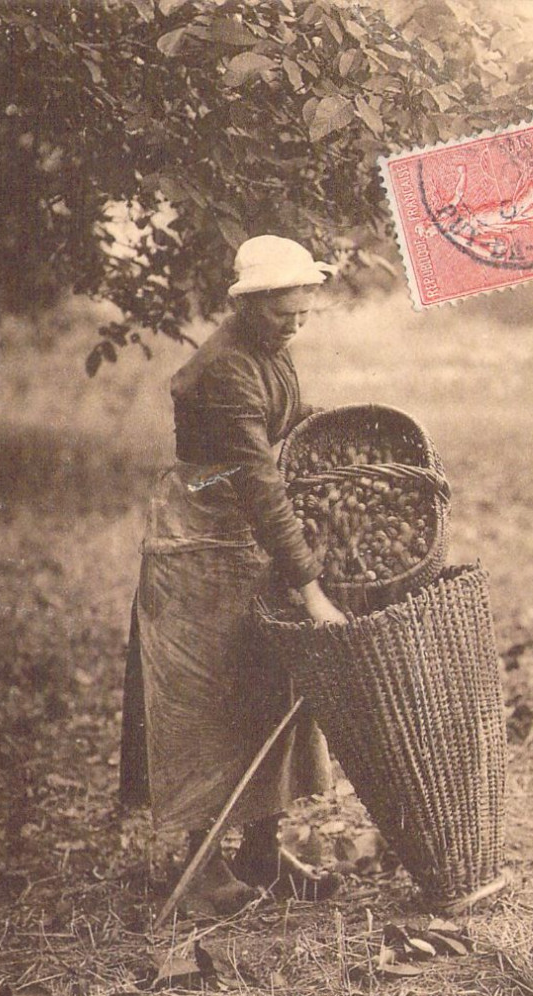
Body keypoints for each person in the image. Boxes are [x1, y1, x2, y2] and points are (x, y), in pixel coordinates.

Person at [119, 235, 347, 915]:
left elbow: (279, 423)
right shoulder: (222, 369)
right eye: (285, 315)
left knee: (265, 690)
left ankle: (260, 852)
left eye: (304, 315)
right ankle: (201, 867)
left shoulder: (268, 355)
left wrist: (332, 423)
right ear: (249, 306)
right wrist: (310, 589)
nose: (296, 326)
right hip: (196, 546)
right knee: (204, 705)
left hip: (240, 536)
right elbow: (256, 477)